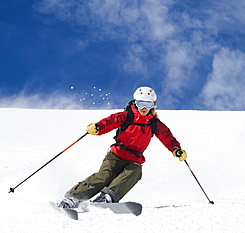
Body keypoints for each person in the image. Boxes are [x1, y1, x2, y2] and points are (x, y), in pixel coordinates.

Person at [58, 86, 187, 209]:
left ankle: (106, 198)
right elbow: (109, 122)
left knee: (135, 171)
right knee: (105, 176)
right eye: (141, 103)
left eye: (148, 104)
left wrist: (176, 149)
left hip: (134, 158)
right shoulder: (127, 116)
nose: (144, 108)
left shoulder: (154, 123)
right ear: (135, 102)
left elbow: (167, 137)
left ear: (153, 105)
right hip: (116, 155)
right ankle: (72, 198)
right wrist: (97, 127)